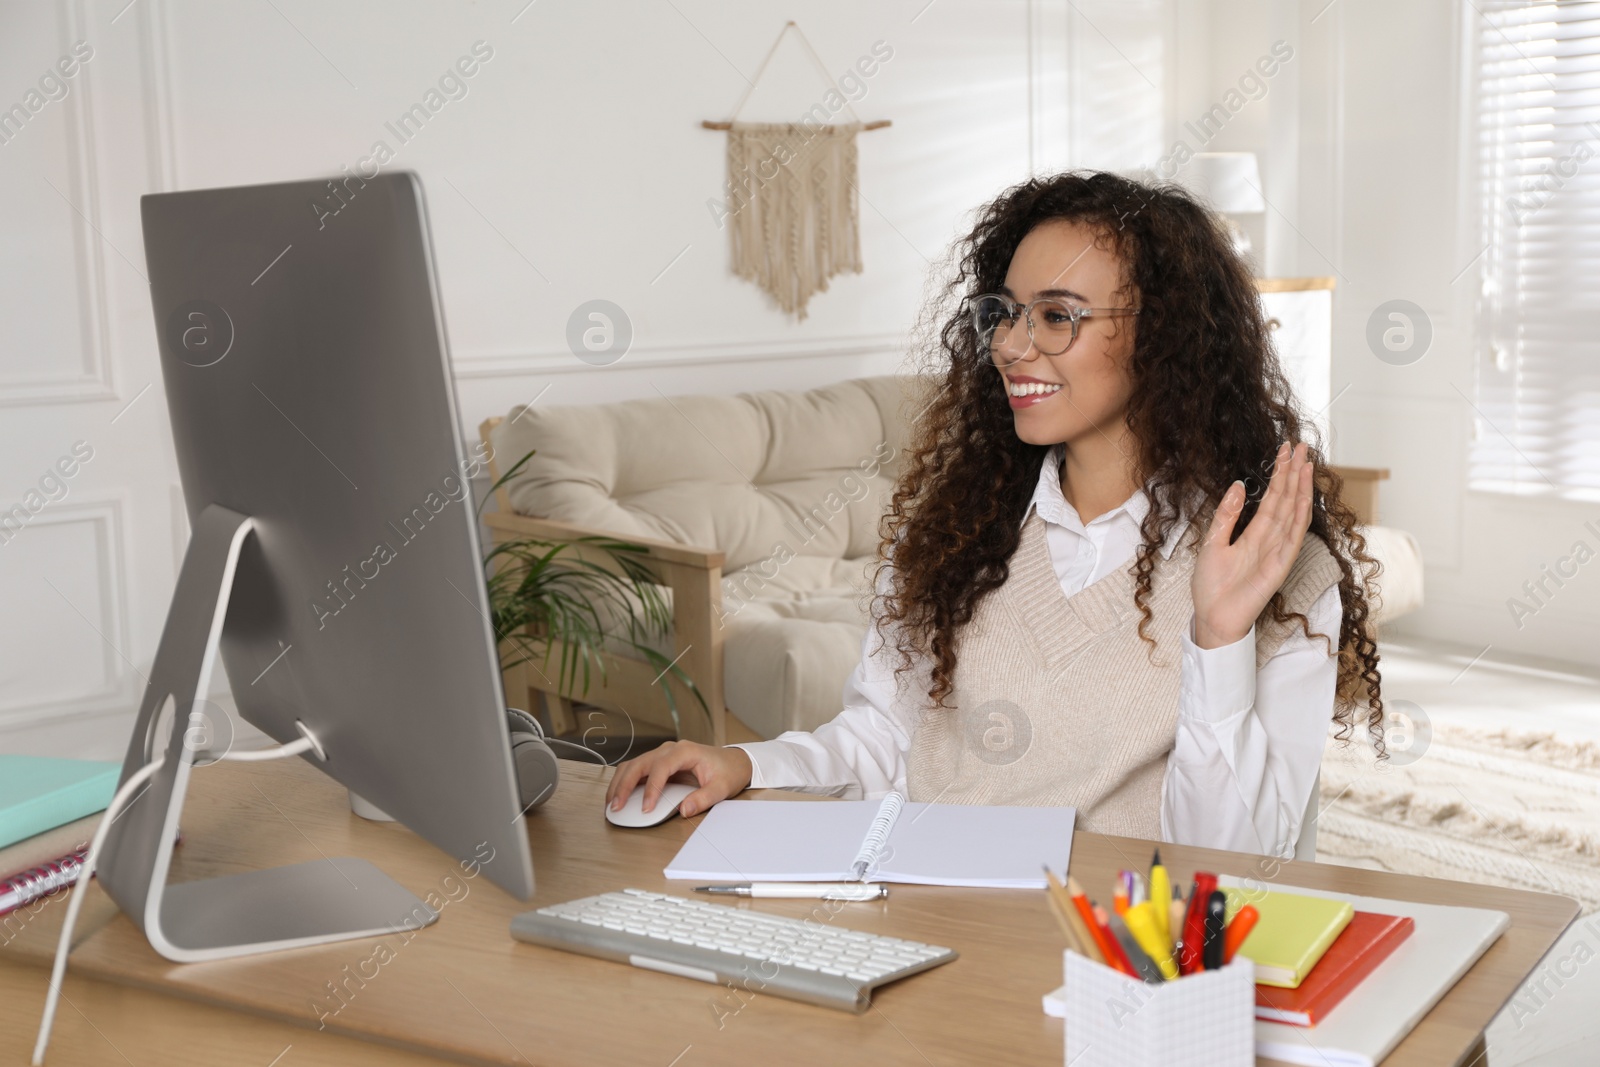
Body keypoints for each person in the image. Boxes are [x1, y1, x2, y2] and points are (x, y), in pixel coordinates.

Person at [605, 170, 1384, 857]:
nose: (1011, 345)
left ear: (1164, 338)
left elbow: (1233, 861)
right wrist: (748, 764)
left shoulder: (1281, 570)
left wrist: (1219, 640)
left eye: (1056, 316)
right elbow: (884, 742)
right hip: (921, 933)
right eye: (1005, 314)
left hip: (1111, 965)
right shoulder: (953, 533)